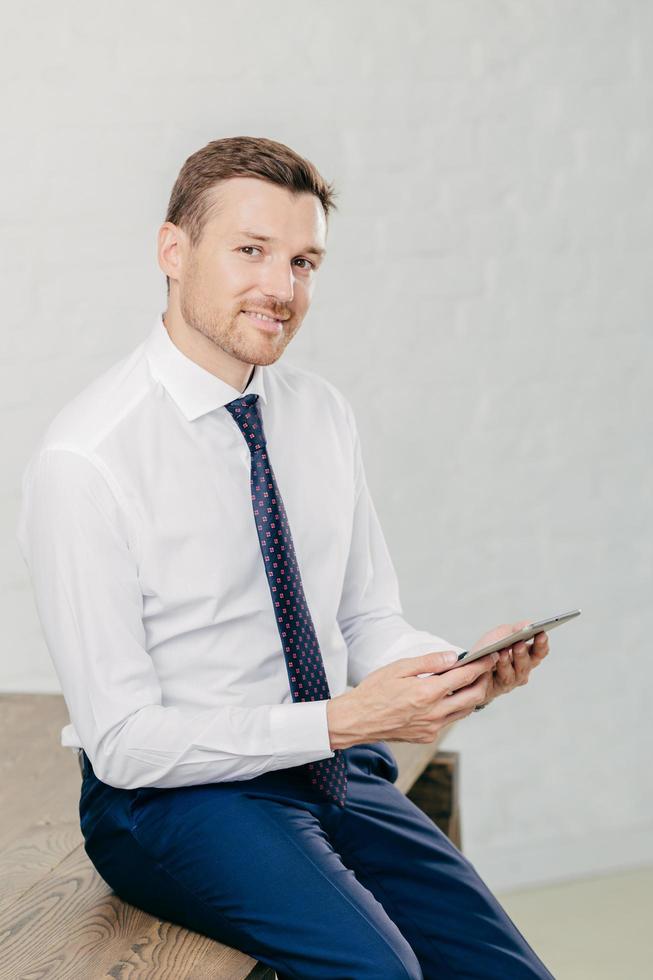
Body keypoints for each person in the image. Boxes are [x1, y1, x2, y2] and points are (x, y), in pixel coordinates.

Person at [16, 136, 554, 978]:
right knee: (380, 973)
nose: (281, 287)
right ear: (173, 250)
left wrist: (451, 672)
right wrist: (345, 721)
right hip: (170, 803)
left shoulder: (320, 414)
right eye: (251, 251)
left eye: (303, 261)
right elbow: (121, 743)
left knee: (507, 972)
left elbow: (364, 617)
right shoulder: (88, 461)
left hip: (326, 767)